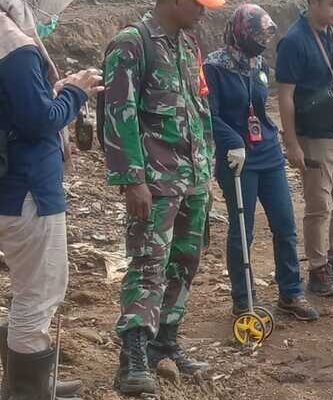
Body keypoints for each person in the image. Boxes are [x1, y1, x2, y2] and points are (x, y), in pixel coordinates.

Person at [102, 0, 224, 395]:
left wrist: (207, 171)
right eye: (199, 3)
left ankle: (165, 344)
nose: (205, 10)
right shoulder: (132, 44)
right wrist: (132, 180)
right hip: (155, 184)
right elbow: (119, 115)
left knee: (184, 263)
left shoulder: (188, 44)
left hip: (192, 181)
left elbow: (199, 110)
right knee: (148, 265)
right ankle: (133, 359)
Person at [0, 0, 103, 398]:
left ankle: (27, 381)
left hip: (11, 186)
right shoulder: (15, 47)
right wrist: (74, 94)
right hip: (27, 190)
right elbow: (38, 120)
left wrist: (54, 92)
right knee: (39, 294)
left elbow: (18, 108)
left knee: (29, 290)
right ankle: (27, 390)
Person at [204, 4, 320, 321]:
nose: (262, 40)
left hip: (267, 152)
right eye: (256, 34)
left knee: (285, 225)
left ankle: (291, 293)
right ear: (241, 32)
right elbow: (208, 116)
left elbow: (260, 106)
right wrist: (233, 141)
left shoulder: (259, 63)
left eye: (265, 34)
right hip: (237, 158)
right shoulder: (214, 67)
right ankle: (244, 300)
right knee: (243, 231)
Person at [276, 0, 333, 297]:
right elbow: (285, 96)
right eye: (332, 3)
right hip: (314, 136)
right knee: (318, 207)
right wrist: (291, 143)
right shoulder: (293, 41)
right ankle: (318, 270)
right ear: (313, 3)